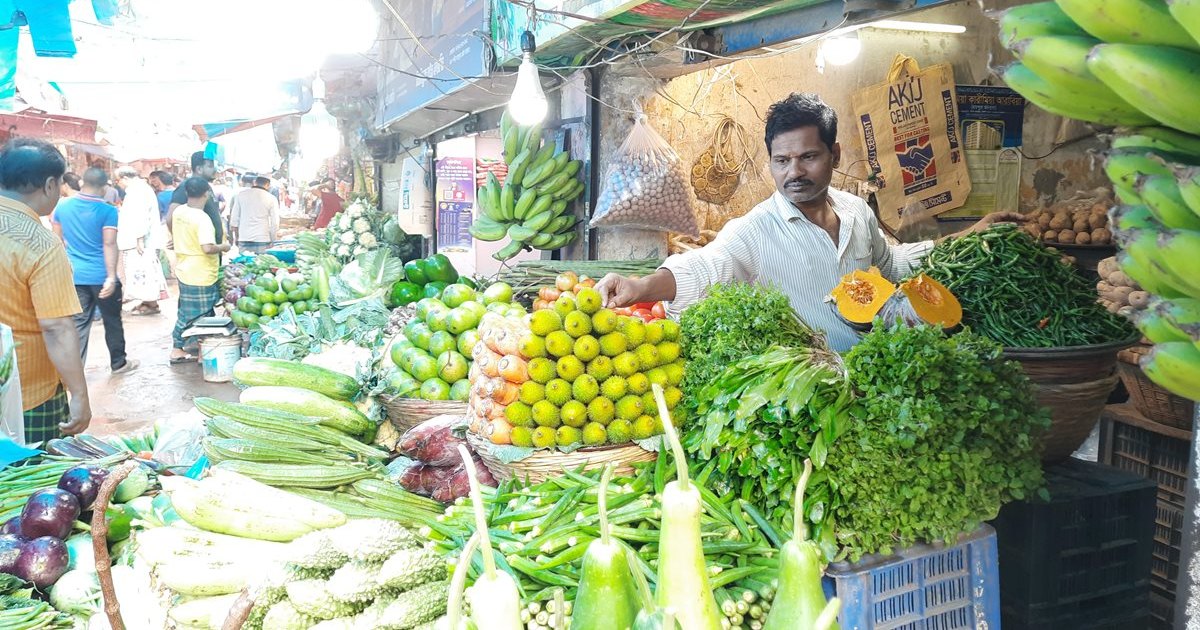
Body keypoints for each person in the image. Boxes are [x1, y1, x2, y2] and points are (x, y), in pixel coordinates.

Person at [595, 93, 1022, 352]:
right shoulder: (755, 229)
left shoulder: (856, 212)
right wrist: (641, 287)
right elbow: (707, 265)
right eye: (781, 161)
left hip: (875, 374)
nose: (793, 173)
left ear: (834, 155)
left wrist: (970, 234)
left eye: (808, 157)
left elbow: (892, 266)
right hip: (812, 392)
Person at [0, 138, 92, 441]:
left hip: (17, 382)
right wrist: (78, 394)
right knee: (29, 480)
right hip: (26, 390)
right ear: (51, 184)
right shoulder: (40, 243)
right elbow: (56, 327)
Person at [51, 168, 138, 374]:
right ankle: (119, 363)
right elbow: (109, 244)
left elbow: (57, 242)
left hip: (75, 276)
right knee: (112, 321)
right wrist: (111, 277)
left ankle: (75, 371)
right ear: (105, 186)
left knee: (78, 324)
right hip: (100, 276)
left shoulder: (62, 207)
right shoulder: (108, 211)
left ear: (82, 182)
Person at [170, 177, 230, 364]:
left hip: (184, 267)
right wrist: (224, 246)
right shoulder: (202, 218)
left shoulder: (180, 211)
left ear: (187, 193)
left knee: (194, 312)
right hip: (200, 272)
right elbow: (207, 248)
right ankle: (178, 349)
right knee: (197, 314)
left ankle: (200, 349)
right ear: (207, 194)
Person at [115, 167, 167, 315]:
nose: (118, 184)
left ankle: (150, 303)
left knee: (143, 272)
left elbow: (140, 216)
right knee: (143, 271)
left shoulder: (137, 191)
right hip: (140, 240)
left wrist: (139, 239)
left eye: (118, 181)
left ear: (125, 178)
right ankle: (148, 302)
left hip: (140, 242)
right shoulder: (139, 190)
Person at [168, 151, 224, 246]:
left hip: (211, 250)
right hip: (199, 251)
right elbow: (170, 218)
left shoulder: (205, 187)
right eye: (210, 166)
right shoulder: (186, 187)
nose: (214, 170)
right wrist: (178, 238)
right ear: (199, 169)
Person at [229, 176, 280, 254]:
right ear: (267, 185)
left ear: (254, 183)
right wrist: (273, 240)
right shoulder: (271, 198)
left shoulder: (241, 195)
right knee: (261, 264)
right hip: (262, 239)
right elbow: (275, 223)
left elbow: (234, 220)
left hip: (244, 238)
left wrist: (237, 237)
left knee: (244, 264)